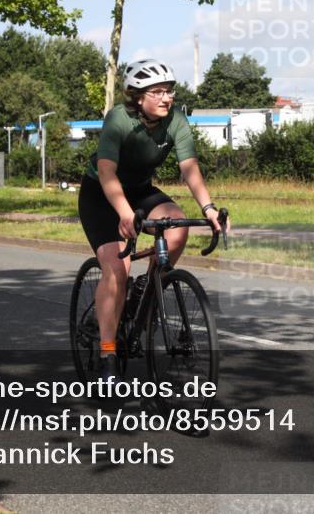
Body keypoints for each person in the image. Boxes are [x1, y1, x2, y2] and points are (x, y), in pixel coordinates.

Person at [78, 59, 227, 380]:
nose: (166, 98)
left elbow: (189, 168)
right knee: (117, 268)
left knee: (176, 228)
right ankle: (107, 354)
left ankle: (148, 285)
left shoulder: (176, 121)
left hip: (141, 190)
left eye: (169, 91)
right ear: (137, 97)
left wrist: (209, 208)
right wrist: (124, 213)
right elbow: (106, 170)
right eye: (157, 92)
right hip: (102, 194)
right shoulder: (119, 118)